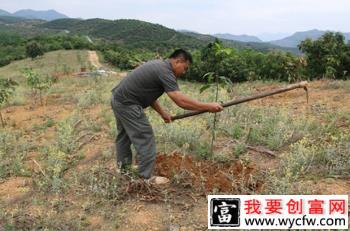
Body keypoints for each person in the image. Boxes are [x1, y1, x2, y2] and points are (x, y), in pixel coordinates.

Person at [111, 49, 223, 184]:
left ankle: (124, 169)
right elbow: (180, 100)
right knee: (145, 136)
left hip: (119, 99)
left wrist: (162, 113)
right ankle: (146, 178)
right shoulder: (166, 71)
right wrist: (208, 106)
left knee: (124, 136)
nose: (184, 72)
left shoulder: (159, 66)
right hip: (128, 104)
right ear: (178, 61)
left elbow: (147, 94)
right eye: (185, 68)